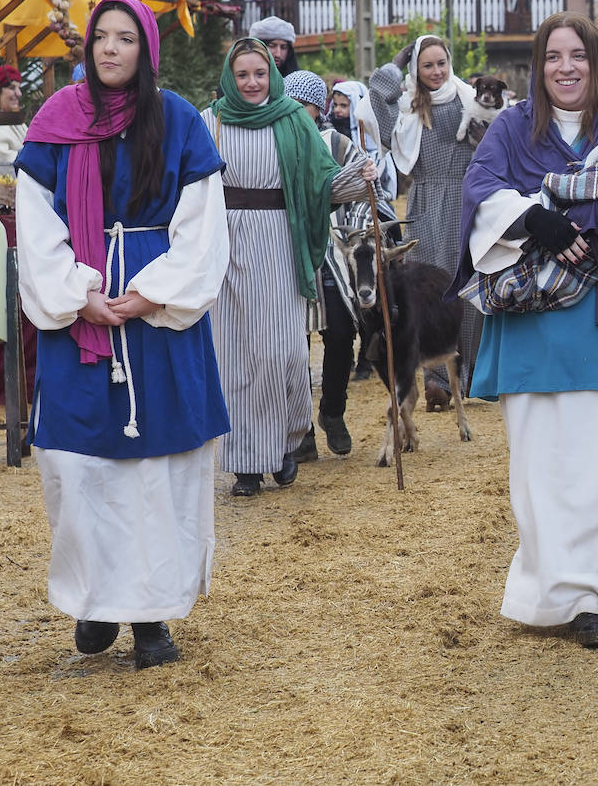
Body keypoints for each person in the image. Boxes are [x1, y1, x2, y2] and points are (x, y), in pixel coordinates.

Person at [448, 12, 598, 648]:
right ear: (538, 64)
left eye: (577, 55)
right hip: (534, 324)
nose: (566, 68)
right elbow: (481, 188)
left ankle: (595, 600)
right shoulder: (509, 128)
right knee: (540, 465)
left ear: (597, 61)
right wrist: (536, 224)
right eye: (553, 56)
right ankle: (546, 591)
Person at [14, 0, 229, 670]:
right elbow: (37, 224)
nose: (110, 49)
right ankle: (97, 602)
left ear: (146, 50)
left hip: (157, 317)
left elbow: (201, 224)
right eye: (101, 38)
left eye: (125, 38)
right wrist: (81, 296)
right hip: (81, 314)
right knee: (81, 469)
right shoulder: (55, 123)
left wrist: (150, 294)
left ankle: (151, 614)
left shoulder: (180, 122)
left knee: (158, 471)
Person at [203, 39, 374, 496]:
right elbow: (190, 183)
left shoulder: (295, 120)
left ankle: (285, 441)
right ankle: (246, 466)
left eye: (259, 73)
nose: (252, 82)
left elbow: (323, 184)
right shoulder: (211, 122)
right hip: (229, 243)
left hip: (281, 239)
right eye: (242, 75)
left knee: (284, 352)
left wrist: (362, 179)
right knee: (237, 357)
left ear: (272, 74)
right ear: (230, 77)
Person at [285, 69, 394, 455]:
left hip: (334, 256)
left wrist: (355, 233)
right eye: (292, 103)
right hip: (286, 254)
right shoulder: (273, 144)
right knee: (292, 344)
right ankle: (300, 430)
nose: (299, 111)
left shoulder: (339, 144)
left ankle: (333, 411)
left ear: (319, 109)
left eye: (306, 105)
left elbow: (370, 196)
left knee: (339, 334)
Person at [369, 34, 481, 400]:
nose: (436, 71)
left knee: (468, 284)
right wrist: (398, 61)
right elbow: (377, 93)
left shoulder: (469, 101)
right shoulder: (408, 110)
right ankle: (438, 378)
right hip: (426, 202)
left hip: (465, 201)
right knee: (431, 288)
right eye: (427, 64)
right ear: (416, 68)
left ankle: (471, 371)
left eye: (441, 63)